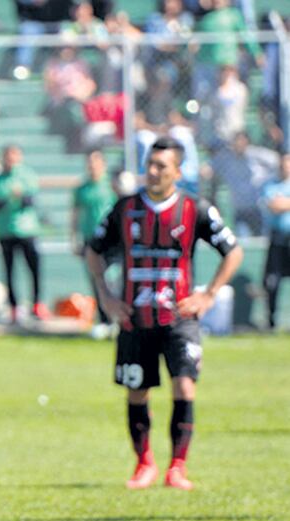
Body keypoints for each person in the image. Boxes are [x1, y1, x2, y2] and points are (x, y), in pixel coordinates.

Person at [85, 136, 244, 491]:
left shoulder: (196, 209)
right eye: (149, 165)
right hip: (133, 318)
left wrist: (209, 294)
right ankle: (144, 464)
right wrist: (107, 297)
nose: (153, 172)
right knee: (136, 392)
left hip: (180, 319)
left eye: (161, 167)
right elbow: (93, 251)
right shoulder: (125, 209)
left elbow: (233, 252)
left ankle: (178, 467)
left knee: (184, 386)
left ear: (178, 171)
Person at [0, 144, 50, 323]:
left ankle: (37, 303)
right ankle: (14, 307)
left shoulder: (27, 176)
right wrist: (10, 198)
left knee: (34, 268)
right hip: (6, 231)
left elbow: (30, 199)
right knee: (9, 270)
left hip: (27, 230)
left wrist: (18, 197)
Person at [72, 149, 117, 327]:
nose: (92, 167)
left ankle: (118, 317)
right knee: (96, 279)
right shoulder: (81, 189)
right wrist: (73, 237)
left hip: (111, 240)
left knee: (114, 278)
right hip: (90, 240)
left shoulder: (111, 186)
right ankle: (104, 320)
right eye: (89, 163)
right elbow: (75, 214)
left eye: (96, 163)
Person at [261, 152, 290, 330]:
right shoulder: (270, 184)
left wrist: (284, 203)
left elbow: (281, 204)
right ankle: (271, 322)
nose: (285, 166)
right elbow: (272, 205)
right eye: (283, 163)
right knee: (272, 281)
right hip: (277, 240)